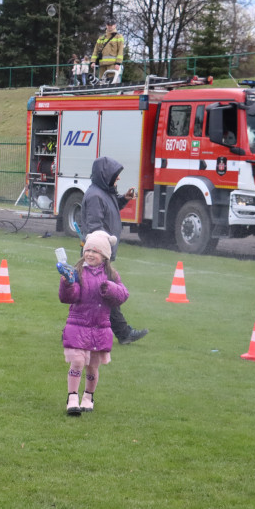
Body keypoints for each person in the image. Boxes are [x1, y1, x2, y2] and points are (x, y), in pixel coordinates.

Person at [58, 230, 129, 415]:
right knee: (77, 361)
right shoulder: (78, 272)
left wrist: (110, 288)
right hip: (78, 325)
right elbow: (69, 298)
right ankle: (72, 396)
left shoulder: (111, 275)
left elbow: (122, 295)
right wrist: (67, 284)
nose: (90, 254)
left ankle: (88, 396)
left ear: (104, 256)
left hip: (100, 328)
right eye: (87, 250)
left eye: (95, 251)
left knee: (93, 366)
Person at [80, 156, 147, 345]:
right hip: (97, 255)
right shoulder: (95, 196)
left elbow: (111, 206)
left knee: (97, 294)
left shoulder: (103, 192)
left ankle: (122, 333)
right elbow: (94, 227)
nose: (117, 179)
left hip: (101, 254)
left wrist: (124, 198)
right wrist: (100, 253)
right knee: (104, 293)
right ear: (105, 175)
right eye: (115, 176)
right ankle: (124, 333)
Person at [90, 18, 124, 84]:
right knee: (101, 83)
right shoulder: (101, 38)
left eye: (111, 25)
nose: (110, 26)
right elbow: (95, 50)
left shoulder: (118, 37)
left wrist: (118, 63)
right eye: (108, 25)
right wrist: (93, 61)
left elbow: (120, 51)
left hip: (112, 64)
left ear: (115, 25)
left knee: (112, 82)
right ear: (106, 26)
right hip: (102, 64)